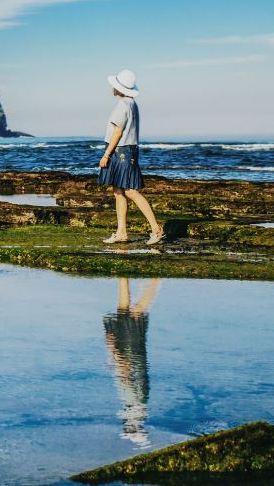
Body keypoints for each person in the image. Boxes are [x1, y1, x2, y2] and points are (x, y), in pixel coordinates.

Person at [98, 69, 164, 245]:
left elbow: (117, 132)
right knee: (118, 191)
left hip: (121, 151)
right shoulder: (131, 103)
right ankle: (121, 232)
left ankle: (156, 229)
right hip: (129, 150)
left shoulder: (122, 105)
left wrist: (106, 154)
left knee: (130, 191)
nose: (112, 88)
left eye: (114, 85)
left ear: (119, 89)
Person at [103, 277, 161, 445]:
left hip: (136, 352)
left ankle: (125, 270)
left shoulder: (140, 401)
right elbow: (125, 370)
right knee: (135, 312)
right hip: (131, 351)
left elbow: (127, 372)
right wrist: (113, 348)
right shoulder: (134, 401)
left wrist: (114, 351)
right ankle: (156, 279)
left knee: (125, 311)